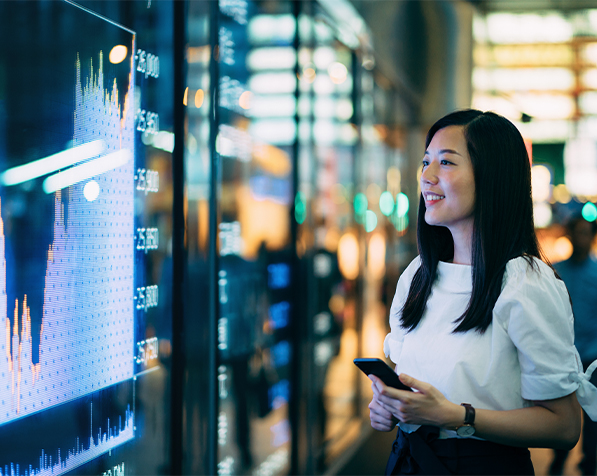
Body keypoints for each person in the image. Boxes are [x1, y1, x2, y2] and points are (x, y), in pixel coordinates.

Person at [367, 109, 597, 475]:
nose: (426, 177)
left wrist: (457, 416)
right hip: (408, 461)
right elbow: (411, 386)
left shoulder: (525, 282)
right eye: (426, 162)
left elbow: (564, 426)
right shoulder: (418, 275)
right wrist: (388, 408)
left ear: (492, 177)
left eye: (446, 162)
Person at [549, 215, 597, 476]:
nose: (582, 238)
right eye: (578, 232)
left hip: (593, 358)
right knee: (561, 415)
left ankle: (589, 466)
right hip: (565, 358)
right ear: (569, 235)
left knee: (592, 420)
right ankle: (558, 462)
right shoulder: (556, 272)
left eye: (586, 233)